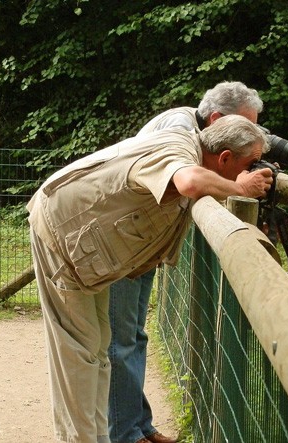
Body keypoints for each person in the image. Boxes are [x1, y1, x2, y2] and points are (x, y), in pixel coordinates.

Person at [28, 114, 273, 443]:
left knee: (97, 348)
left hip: (86, 251)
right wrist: (239, 188)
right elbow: (189, 183)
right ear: (225, 157)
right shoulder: (177, 149)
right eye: (251, 163)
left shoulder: (190, 152)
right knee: (80, 355)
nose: (254, 171)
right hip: (62, 234)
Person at [108, 81, 264, 443]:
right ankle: (124, 435)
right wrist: (240, 186)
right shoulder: (179, 131)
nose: (250, 135)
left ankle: (138, 426)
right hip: (123, 243)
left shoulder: (190, 127)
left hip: (140, 242)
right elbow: (190, 182)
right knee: (121, 342)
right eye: (244, 127)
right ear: (216, 119)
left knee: (133, 336)